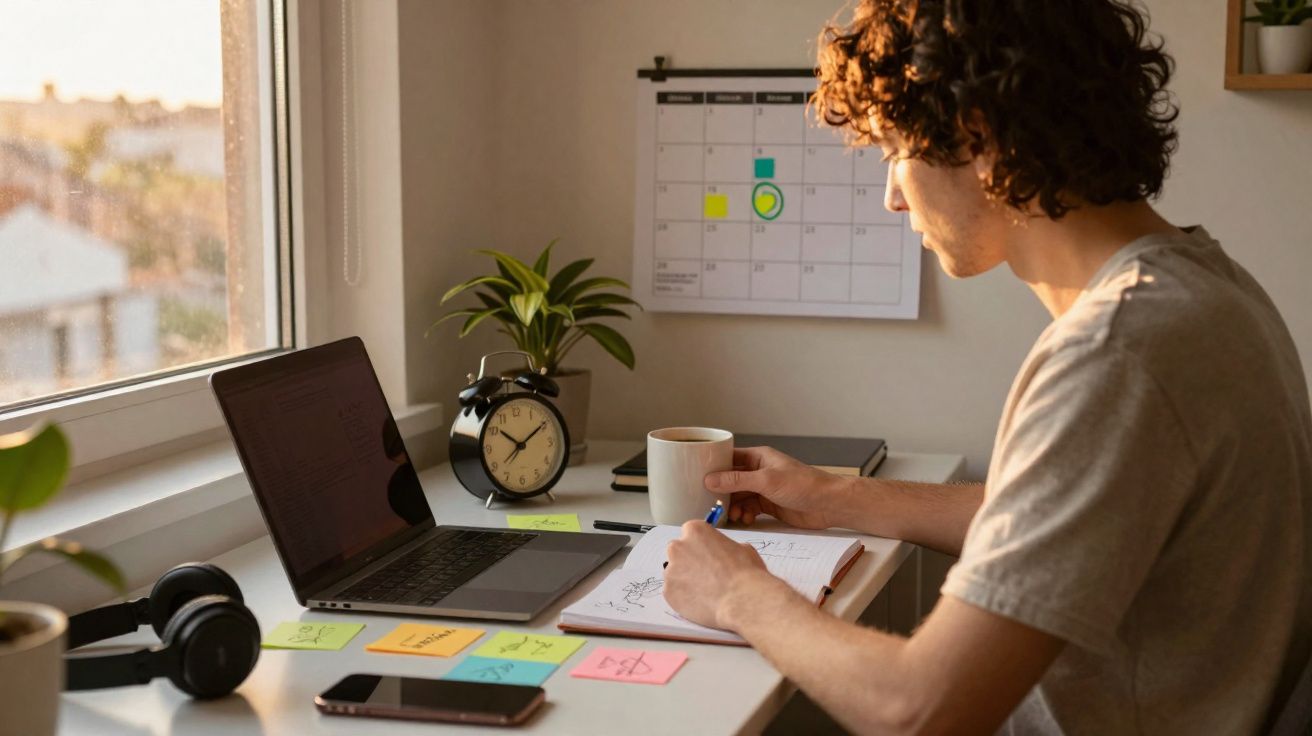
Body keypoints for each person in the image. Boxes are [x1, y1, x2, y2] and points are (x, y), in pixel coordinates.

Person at [660, 1, 1312, 733]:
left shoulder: (1120, 351)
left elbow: (919, 708)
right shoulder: (1206, 288)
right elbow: (1066, 519)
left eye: (893, 151)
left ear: (978, 138)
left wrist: (738, 594)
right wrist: (830, 496)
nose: (891, 196)